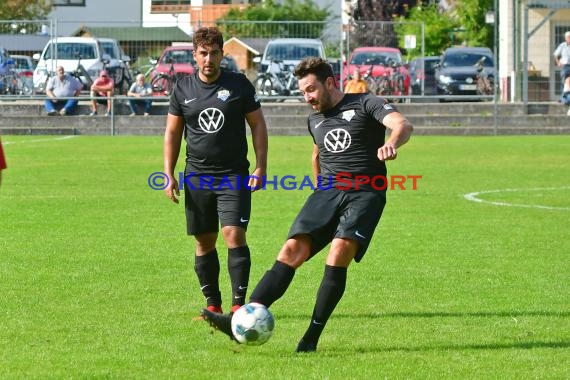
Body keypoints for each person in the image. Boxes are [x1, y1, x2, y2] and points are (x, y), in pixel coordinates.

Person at [201, 57, 413, 353]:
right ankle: (239, 318)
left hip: (366, 192)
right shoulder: (314, 119)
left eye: (311, 89)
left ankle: (310, 339)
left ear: (329, 82)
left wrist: (392, 142)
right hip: (326, 192)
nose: (308, 98)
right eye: (303, 92)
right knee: (291, 251)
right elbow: (317, 154)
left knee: (339, 251)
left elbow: (402, 124)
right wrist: (319, 189)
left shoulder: (367, 102)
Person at [163, 27, 268, 317]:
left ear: (223, 54)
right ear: (195, 55)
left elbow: (258, 125)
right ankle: (213, 305)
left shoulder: (239, 85)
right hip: (197, 176)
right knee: (204, 240)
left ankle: (238, 305)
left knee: (233, 234)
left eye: (214, 53)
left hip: (233, 174)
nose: (209, 59)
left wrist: (260, 166)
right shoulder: (182, 88)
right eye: (203, 53)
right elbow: (172, 133)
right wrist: (168, 174)